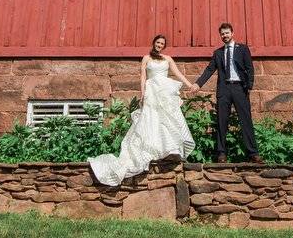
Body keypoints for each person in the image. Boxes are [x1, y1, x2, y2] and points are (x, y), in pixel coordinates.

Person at [88, 35, 196, 185]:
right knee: (151, 120)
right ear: (154, 43)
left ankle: (170, 149)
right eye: (158, 42)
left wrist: (190, 85)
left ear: (164, 46)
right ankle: (152, 149)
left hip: (164, 92)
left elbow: (177, 73)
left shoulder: (168, 59)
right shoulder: (146, 58)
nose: (159, 45)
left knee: (167, 119)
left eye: (162, 44)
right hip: (152, 91)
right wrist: (143, 94)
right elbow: (143, 76)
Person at [195, 22, 263, 163]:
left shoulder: (243, 49)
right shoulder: (218, 53)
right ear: (220, 36)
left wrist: (249, 86)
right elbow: (209, 69)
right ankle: (221, 153)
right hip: (224, 89)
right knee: (221, 121)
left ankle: (253, 153)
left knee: (246, 120)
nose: (224, 35)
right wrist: (198, 84)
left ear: (232, 33)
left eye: (227, 33)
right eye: (222, 34)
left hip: (239, 88)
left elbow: (250, 68)